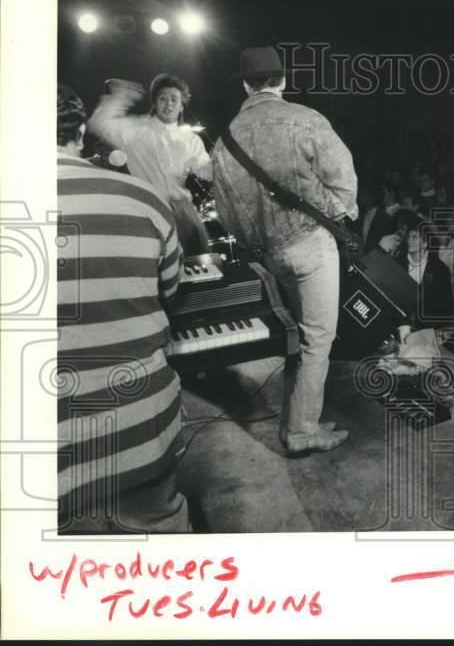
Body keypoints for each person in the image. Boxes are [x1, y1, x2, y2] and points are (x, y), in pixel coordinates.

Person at [56, 84, 190, 533]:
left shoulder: (187, 138)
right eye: (165, 99)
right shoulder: (141, 191)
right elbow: (170, 293)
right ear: (77, 135)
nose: (171, 105)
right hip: (145, 428)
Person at [212, 46, 357, 457]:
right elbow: (343, 179)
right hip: (311, 245)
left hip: (269, 255)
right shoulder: (306, 119)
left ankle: (298, 420)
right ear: (283, 80)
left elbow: (224, 213)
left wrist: (257, 242)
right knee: (317, 340)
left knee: (299, 335)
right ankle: (301, 433)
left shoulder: (225, 139)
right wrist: (339, 216)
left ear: (245, 84)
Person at [88, 74, 212, 254]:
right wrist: (121, 96)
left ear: (181, 106)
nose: (168, 104)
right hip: (149, 209)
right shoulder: (137, 131)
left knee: (201, 260)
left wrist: (221, 162)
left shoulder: (191, 139)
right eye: (162, 99)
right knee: (156, 268)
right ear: (154, 102)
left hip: (183, 211)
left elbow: (205, 170)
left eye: (174, 99)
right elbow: (99, 123)